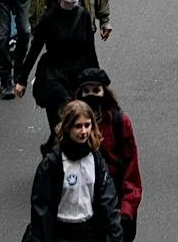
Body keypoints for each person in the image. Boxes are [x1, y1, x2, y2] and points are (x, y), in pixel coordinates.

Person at [17, 0, 102, 139]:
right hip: (54, 76)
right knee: (62, 125)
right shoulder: (49, 18)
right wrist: (22, 79)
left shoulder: (83, 16)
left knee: (80, 124)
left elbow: (90, 50)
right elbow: (35, 48)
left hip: (78, 75)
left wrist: (98, 80)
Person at [24, 98, 123, 242]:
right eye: (78, 126)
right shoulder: (52, 163)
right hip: (61, 233)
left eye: (87, 125)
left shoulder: (96, 159)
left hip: (90, 232)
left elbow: (108, 201)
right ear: (67, 127)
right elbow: (41, 207)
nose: (84, 131)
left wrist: (115, 236)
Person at [73, 72, 140, 242]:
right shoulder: (72, 127)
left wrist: (126, 211)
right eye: (87, 91)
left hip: (115, 202)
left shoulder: (119, 122)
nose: (92, 96)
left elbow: (131, 170)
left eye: (96, 90)